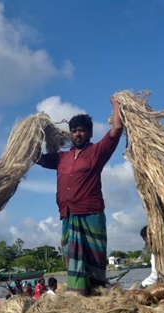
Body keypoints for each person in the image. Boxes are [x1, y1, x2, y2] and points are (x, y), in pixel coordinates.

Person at [37, 96, 123, 295]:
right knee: (73, 256)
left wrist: (117, 105)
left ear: (90, 133)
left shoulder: (96, 152)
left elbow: (116, 130)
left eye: (82, 130)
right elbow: (38, 158)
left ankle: (96, 292)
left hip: (90, 211)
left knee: (94, 255)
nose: (77, 134)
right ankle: (78, 294)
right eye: (74, 131)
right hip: (68, 214)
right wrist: (34, 134)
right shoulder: (62, 158)